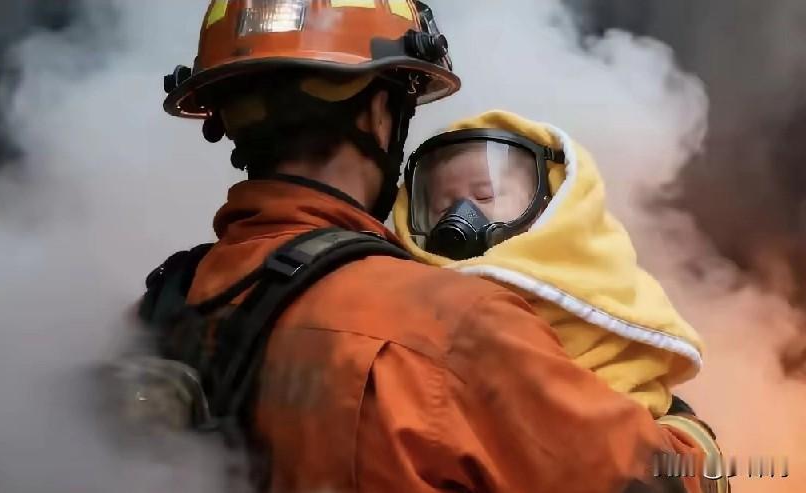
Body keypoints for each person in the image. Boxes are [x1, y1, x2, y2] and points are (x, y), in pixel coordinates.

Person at [146, 1, 723, 492]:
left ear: (227, 116)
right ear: (379, 113)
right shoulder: (453, 327)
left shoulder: (163, 303)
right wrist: (686, 432)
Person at [394, 110, 706, 418]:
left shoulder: (596, 271)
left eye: (485, 195)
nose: (461, 213)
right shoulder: (416, 299)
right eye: (444, 205)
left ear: (545, 202)